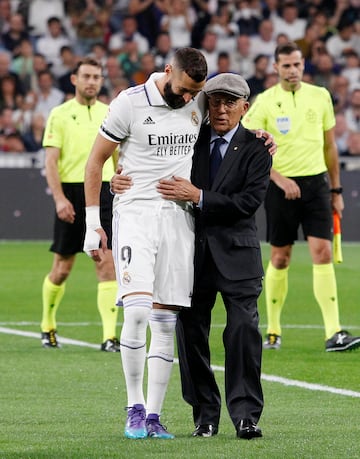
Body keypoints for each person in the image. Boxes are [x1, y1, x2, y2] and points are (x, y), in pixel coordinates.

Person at [83, 47, 208, 440]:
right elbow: (95, 161)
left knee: (165, 321)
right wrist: (93, 223)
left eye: (194, 93)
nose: (189, 99)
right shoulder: (130, 103)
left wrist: (260, 135)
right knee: (136, 313)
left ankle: (154, 416)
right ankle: (134, 408)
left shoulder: (199, 99)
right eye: (184, 89)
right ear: (168, 70)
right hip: (135, 214)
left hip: (178, 220)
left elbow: (231, 120)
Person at [157, 73, 272, 439]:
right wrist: (119, 179)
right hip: (190, 253)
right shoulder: (188, 139)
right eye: (215, 101)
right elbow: (153, 163)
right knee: (190, 336)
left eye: (229, 102)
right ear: (205, 104)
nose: (221, 109)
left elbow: (248, 204)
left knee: (243, 332)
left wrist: (199, 196)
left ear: (244, 107)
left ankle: (246, 417)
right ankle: (204, 416)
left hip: (238, 257)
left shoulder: (257, 148)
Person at [242, 41, 360, 352]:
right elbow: (249, 148)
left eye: (297, 64)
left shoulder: (320, 96)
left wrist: (336, 190)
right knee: (281, 257)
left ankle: (334, 332)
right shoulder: (265, 102)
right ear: (275, 67)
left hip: (317, 186)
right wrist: (278, 178)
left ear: (303, 65)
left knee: (322, 253)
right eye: (286, 65)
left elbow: (329, 147)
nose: (292, 70)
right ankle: (273, 331)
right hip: (281, 189)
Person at [41, 57, 119, 353]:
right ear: (74, 79)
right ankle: (48, 325)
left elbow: (117, 159)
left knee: (106, 263)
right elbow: (51, 161)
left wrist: (121, 182)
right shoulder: (59, 115)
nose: (91, 81)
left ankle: (110, 337)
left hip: (104, 191)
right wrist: (59, 198)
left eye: (97, 77)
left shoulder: (110, 113)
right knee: (62, 267)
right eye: (86, 76)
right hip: (72, 193)